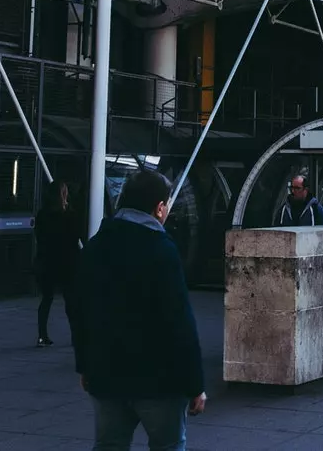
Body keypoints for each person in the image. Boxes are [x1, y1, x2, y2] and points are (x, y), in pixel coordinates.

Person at [73, 168, 206, 451]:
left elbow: (80, 310)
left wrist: (85, 362)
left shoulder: (96, 247)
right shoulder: (161, 250)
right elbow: (179, 322)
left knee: (109, 444)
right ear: (159, 208)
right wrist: (195, 383)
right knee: (168, 445)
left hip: (106, 374)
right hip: (158, 381)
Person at [34, 179, 81, 347]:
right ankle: (75, 335)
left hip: (47, 261)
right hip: (67, 262)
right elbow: (74, 238)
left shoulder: (42, 214)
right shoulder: (70, 214)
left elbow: (40, 238)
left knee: (46, 299)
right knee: (70, 301)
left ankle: (41, 335)